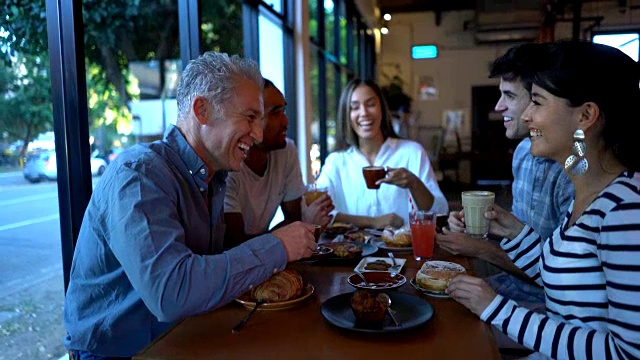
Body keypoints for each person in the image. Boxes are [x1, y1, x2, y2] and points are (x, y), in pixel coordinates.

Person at [63, 52, 318, 359]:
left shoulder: (213, 176)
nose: (259, 133)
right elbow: (172, 293)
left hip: (182, 338)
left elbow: (206, 276)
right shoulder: (139, 175)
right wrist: (276, 246)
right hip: (119, 353)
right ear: (203, 110)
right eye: (250, 118)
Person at [447, 41, 640, 359]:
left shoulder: (624, 211)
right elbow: (565, 278)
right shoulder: (590, 193)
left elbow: (627, 353)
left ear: (586, 115)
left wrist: (496, 309)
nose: (527, 115)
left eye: (536, 102)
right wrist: (513, 232)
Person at [437, 43, 574, 307]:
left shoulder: (578, 172)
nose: (498, 106)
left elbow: (564, 280)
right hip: (511, 285)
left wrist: (481, 249)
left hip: (546, 306)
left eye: (510, 96)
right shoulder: (524, 151)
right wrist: (480, 228)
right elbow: (524, 241)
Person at [315, 78, 448, 229]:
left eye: (371, 104)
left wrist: (414, 183)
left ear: (382, 110)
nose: (364, 113)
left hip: (402, 251)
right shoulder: (336, 162)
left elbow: (440, 212)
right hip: (354, 250)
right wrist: (372, 222)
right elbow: (320, 212)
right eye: (355, 107)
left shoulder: (412, 152)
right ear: (347, 115)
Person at [224, 79, 333, 248]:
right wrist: (306, 223)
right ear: (250, 120)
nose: (286, 121)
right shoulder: (228, 167)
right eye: (275, 113)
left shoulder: (286, 151)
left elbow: (294, 219)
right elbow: (235, 247)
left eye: (284, 110)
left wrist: (305, 222)